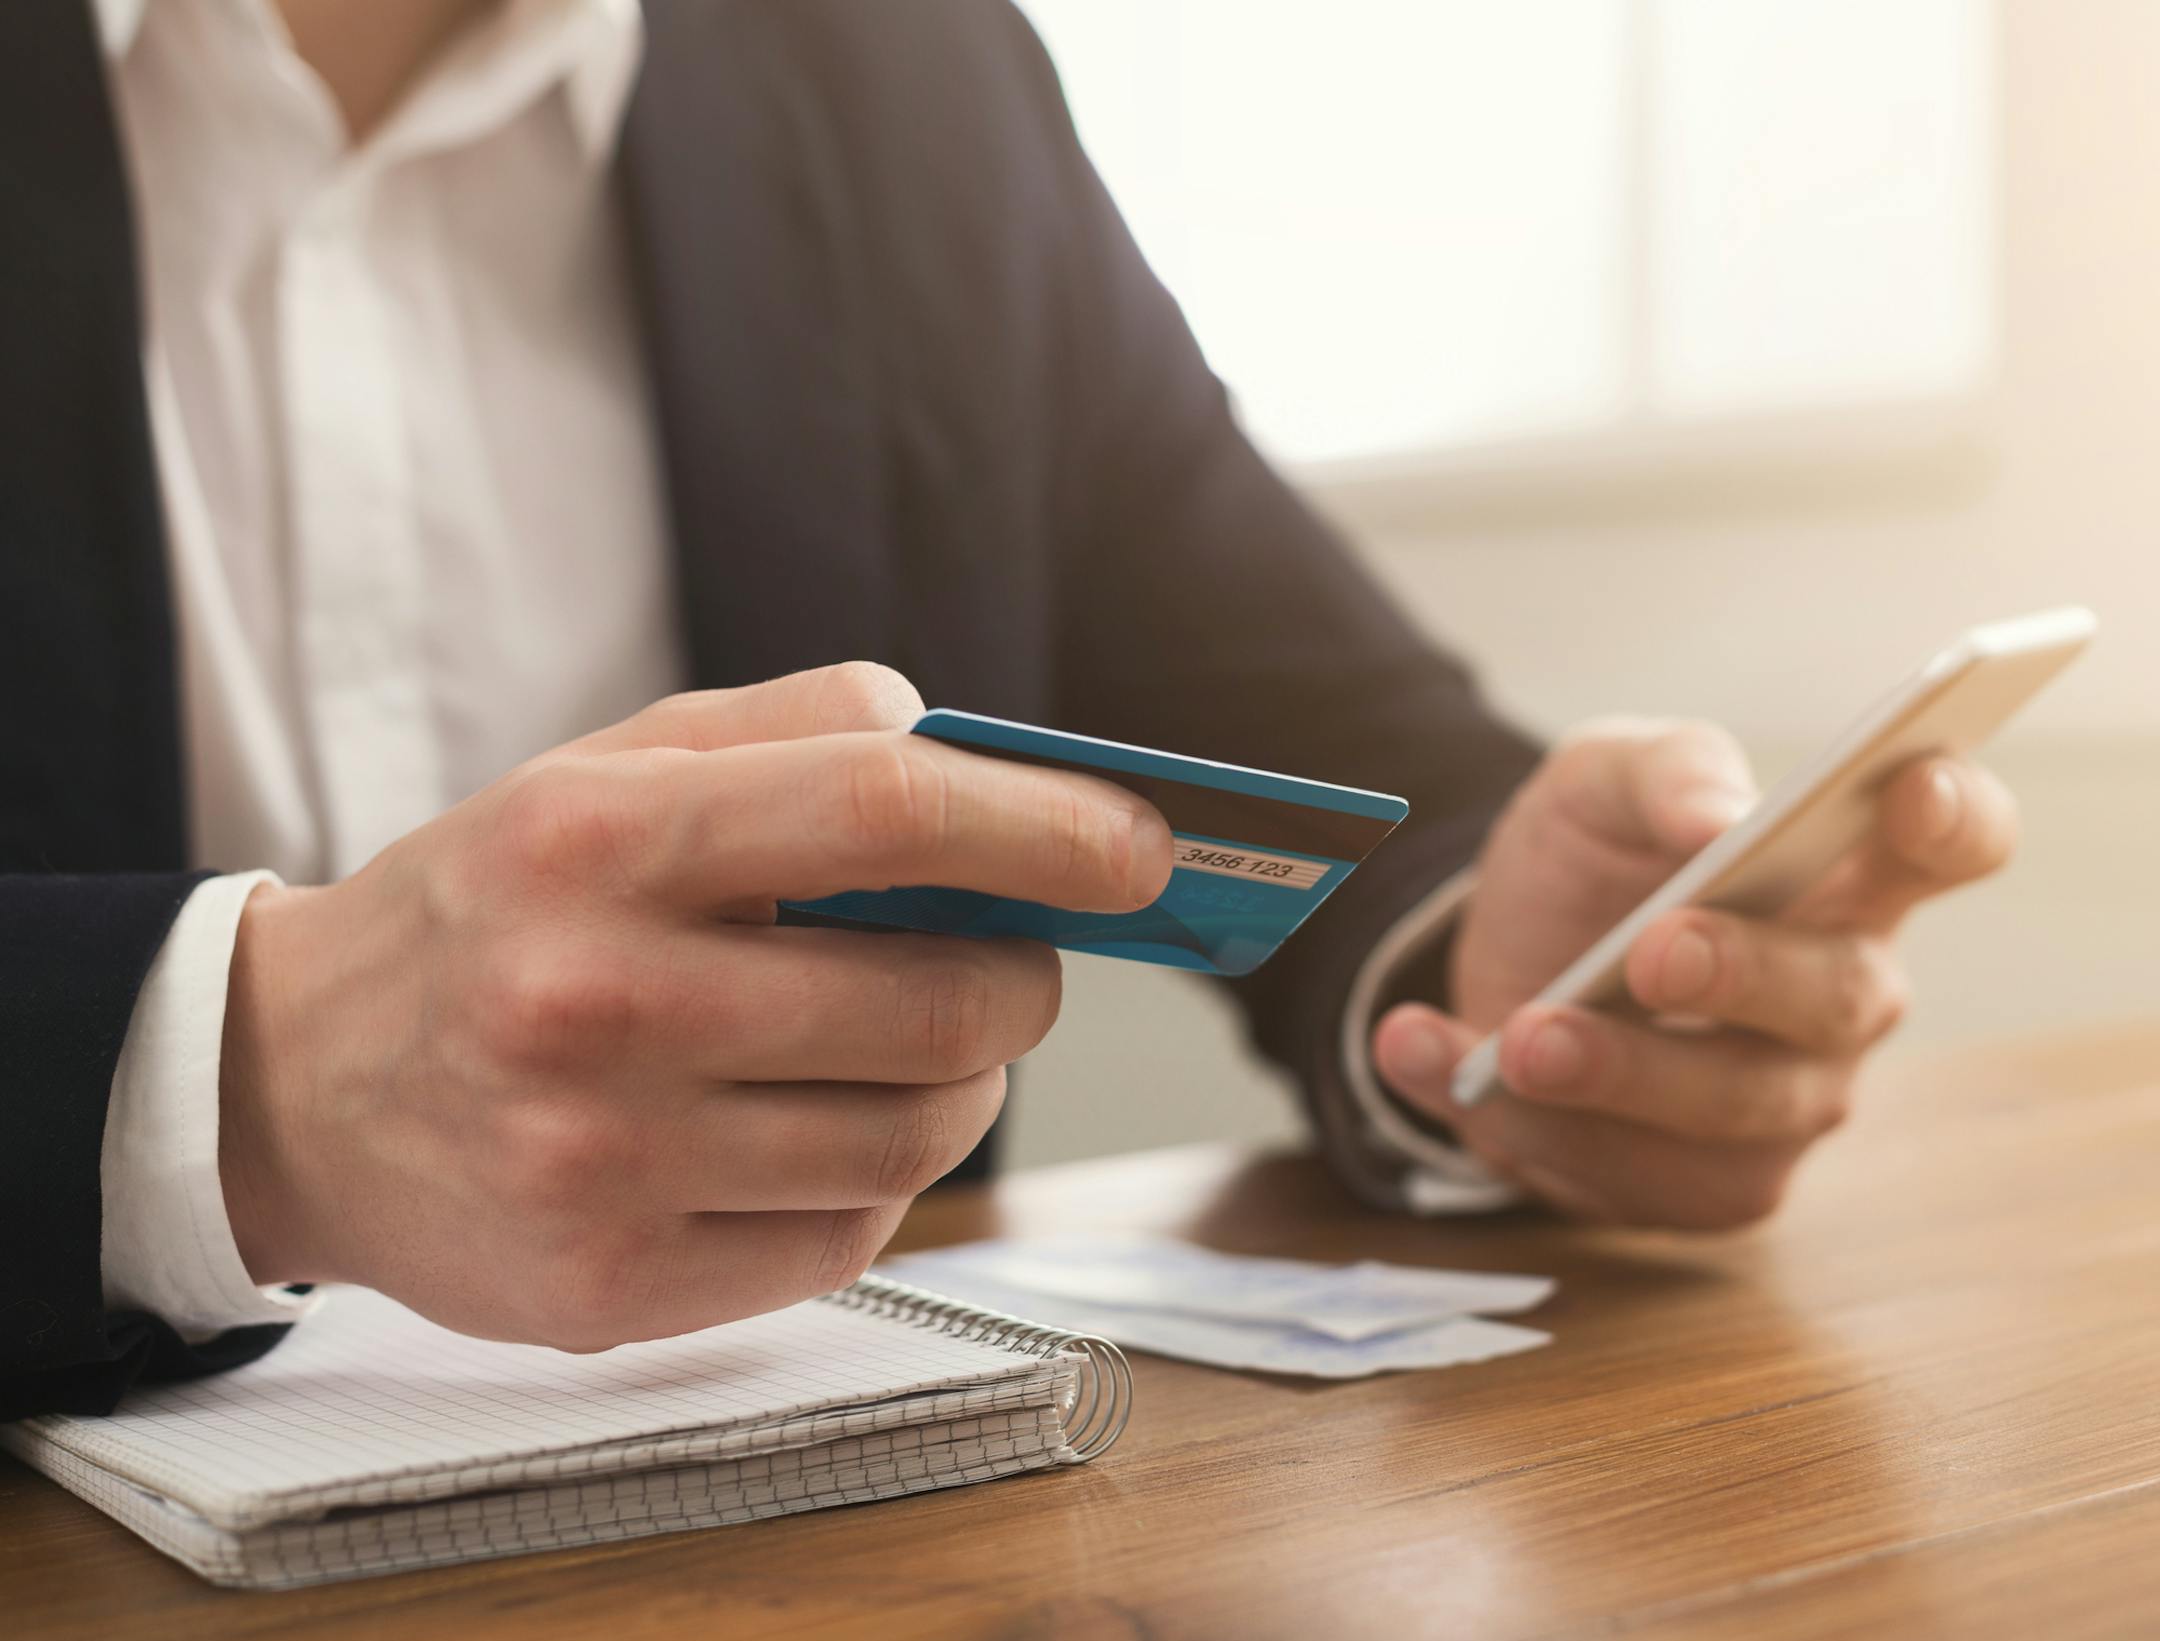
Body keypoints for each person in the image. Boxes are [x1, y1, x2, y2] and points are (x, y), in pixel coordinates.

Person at [0, 0, 2018, 1421]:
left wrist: (1510, 988)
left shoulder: (909, 69)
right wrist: (238, 1084)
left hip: (848, 1557)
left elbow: (1335, 741)